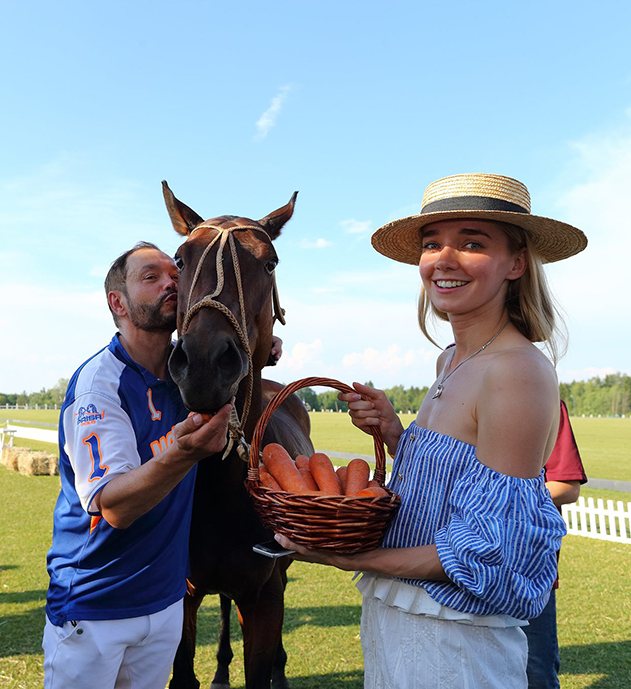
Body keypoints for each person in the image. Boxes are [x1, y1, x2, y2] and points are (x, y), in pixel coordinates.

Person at [277, 173, 588, 688]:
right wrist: (398, 436)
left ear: (516, 263)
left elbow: (489, 544)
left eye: (471, 242)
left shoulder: (516, 369)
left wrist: (350, 557)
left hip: (456, 643)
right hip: (399, 621)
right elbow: (456, 487)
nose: (444, 258)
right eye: (431, 243)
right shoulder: (451, 360)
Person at [43, 241, 235, 689]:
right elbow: (115, 506)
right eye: (151, 277)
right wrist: (184, 453)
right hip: (96, 608)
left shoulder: (187, 374)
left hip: (166, 604)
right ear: (118, 303)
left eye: (176, 274)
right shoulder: (99, 384)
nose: (171, 282)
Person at [524, 399, 587, 689]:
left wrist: (494, 501)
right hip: (462, 563)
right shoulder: (448, 399)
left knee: (535, 672)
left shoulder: (539, 395)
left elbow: (566, 486)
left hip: (528, 568)